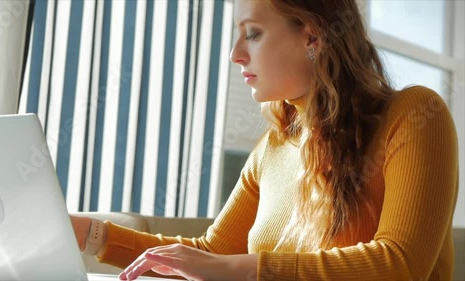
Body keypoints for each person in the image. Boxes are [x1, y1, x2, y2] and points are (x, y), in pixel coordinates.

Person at [71, 0, 459, 280]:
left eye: (252, 34)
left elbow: (399, 265)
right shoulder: (272, 149)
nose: (235, 55)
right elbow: (210, 255)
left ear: (312, 34)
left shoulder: (414, 114)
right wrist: (89, 235)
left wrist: (240, 269)